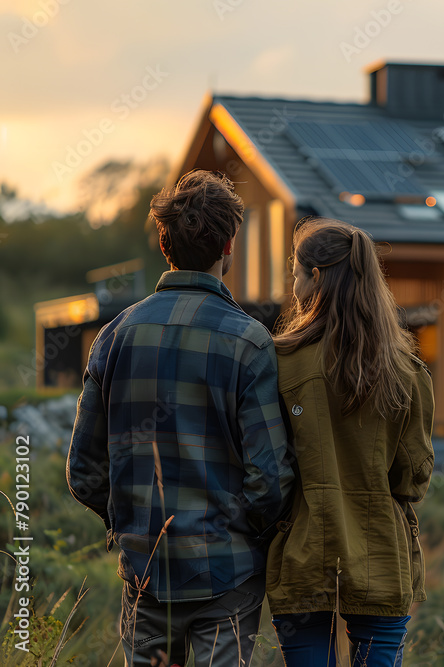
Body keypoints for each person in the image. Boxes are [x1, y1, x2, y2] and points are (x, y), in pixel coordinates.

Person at [67, 170, 295, 667]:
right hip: (229, 573)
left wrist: (131, 524)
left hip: (144, 571)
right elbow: (271, 477)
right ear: (230, 243)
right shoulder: (250, 342)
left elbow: (83, 471)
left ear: (163, 241)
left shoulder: (113, 336)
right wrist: (241, 532)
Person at [266, 217, 434, 667]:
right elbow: (412, 480)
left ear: (315, 277)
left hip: (302, 554)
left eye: (295, 271)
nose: (293, 281)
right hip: (380, 553)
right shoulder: (407, 372)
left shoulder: (277, 362)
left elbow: (267, 470)